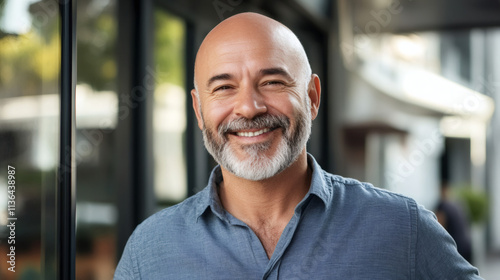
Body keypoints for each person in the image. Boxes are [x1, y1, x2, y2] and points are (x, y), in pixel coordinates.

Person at [114, 12, 482, 279]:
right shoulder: (149, 252)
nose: (248, 107)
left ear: (312, 97)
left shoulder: (403, 229)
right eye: (224, 87)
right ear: (198, 109)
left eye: (272, 81)